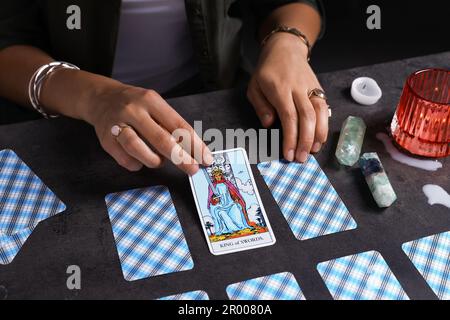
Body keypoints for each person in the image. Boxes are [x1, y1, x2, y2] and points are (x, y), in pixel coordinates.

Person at [0, 0, 328, 175]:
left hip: (214, 91)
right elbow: (8, 43)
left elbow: (288, 3)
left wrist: (288, 44)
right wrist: (94, 97)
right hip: (68, 111)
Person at [207, 168, 251, 235]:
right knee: (221, 214)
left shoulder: (227, 183)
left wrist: (235, 198)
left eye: (219, 175)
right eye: (216, 176)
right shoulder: (212, 186)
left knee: (237, 210)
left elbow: (233, 192)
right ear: (214, 177)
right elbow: (211, 198)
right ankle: (232, 229)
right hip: (220, 206)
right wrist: (215, 200)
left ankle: (242, 226)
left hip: (230, 203)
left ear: (221, 175)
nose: (218, 177)